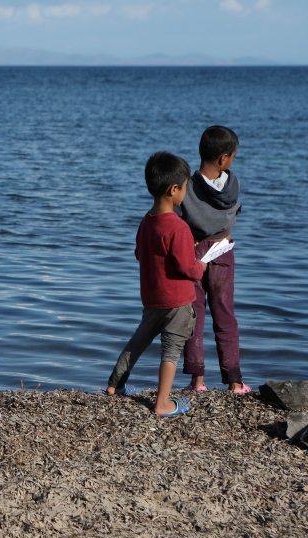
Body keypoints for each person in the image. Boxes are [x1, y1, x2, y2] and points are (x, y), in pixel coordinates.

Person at [106, 152, 205, 417]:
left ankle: (115, 386)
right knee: (171, 350)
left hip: (152, 298)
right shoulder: (179, 227)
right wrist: (201, 266)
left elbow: (141, 254)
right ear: (174, 189)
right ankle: (162, 404)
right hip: (178, 302)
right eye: (185, 187)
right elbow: (187, 267)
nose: (185, 192)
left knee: (137, 342)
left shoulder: (146, 222)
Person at [176, 126, 250, 393]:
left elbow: (178, 214)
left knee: (193, 316)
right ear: (223, 159)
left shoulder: (188, 186)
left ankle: (197, 382)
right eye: (232, 156)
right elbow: (235, 211)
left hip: (192, 252)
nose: (232, 161)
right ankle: (234, 381)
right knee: (225, 315)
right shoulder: (234, 184)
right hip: (223, 250)